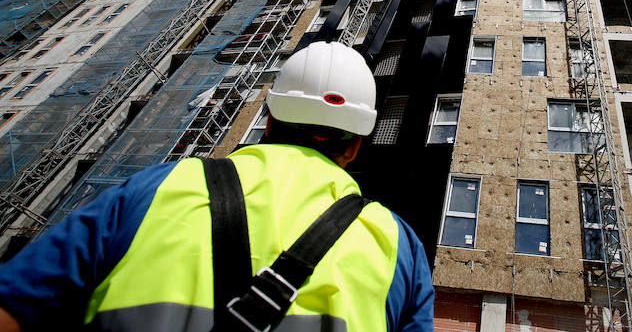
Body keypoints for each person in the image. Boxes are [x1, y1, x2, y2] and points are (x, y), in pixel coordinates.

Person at [0, 41, 434, 331]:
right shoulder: (399, 246)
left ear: (268, 121)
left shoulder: (163, 183)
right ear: (356, 146)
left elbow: (15, 307)